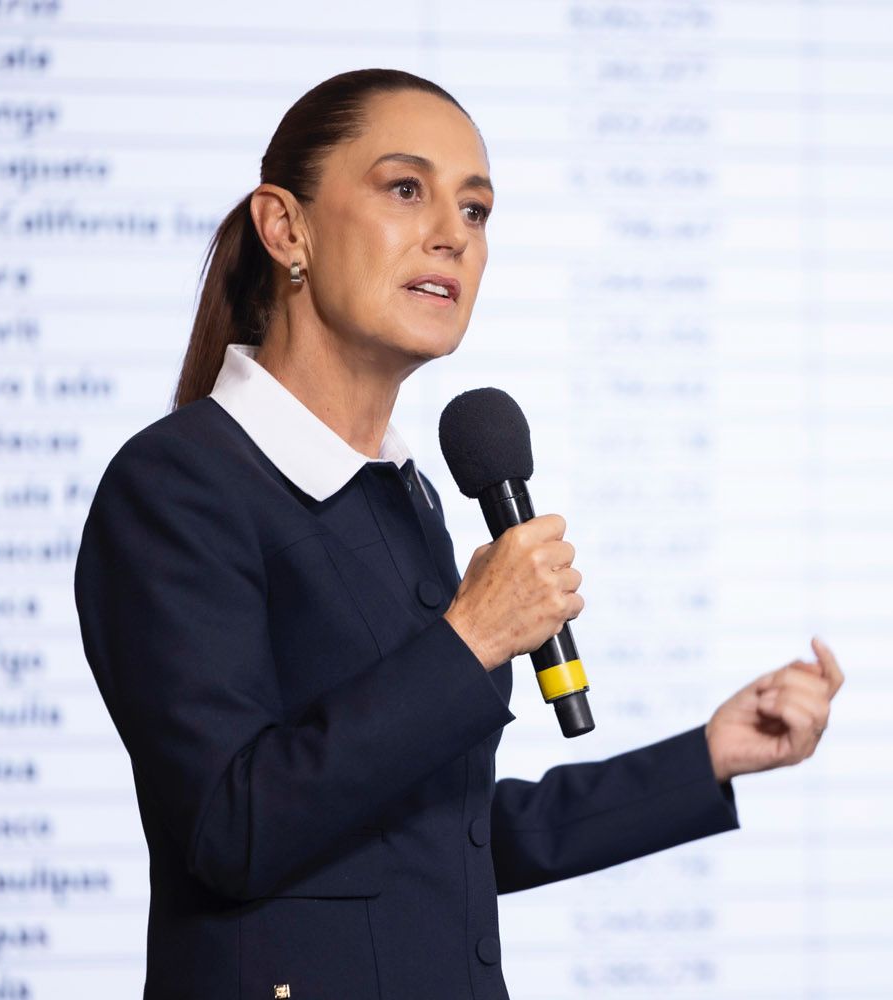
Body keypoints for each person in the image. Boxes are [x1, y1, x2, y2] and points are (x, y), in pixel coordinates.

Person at [73, 68, 844, 1000]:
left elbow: (439, 839)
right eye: (406, 189)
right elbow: (228, 830)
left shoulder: (405, 500)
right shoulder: (178, 485)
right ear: (285, 228)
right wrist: (471, 635)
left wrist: (707, 757)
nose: (454, 234)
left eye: (475, 210)